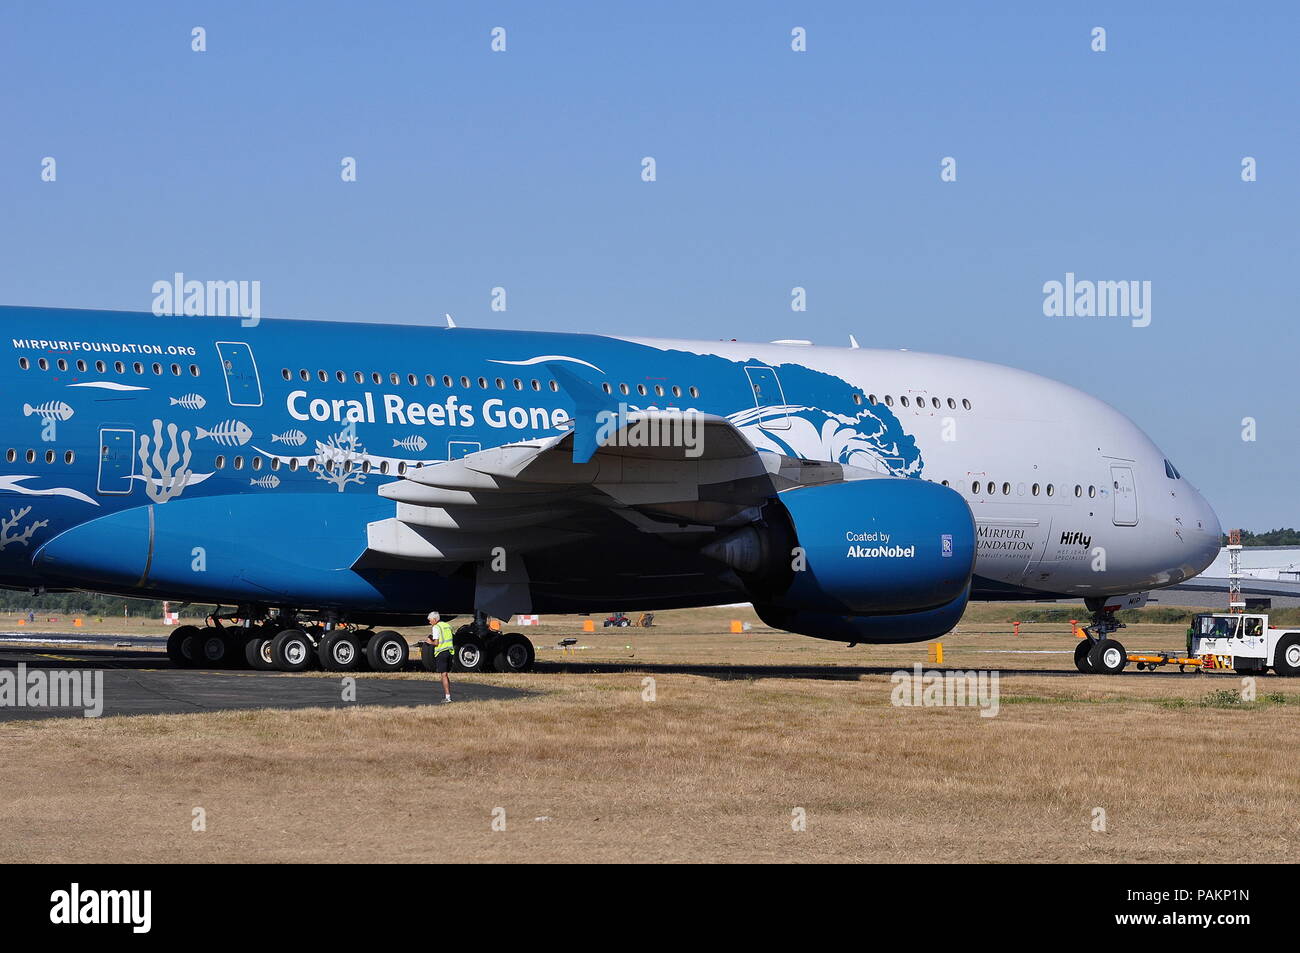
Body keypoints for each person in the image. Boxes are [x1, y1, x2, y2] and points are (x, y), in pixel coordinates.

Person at [423, 611, 455, 703]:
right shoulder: (447, 625)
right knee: (445, 674)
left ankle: (448, 698)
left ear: (435, 619)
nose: (429, 622)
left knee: (443, 675)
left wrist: (429, 642)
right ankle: (448, 696)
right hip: (450, 652)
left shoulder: (436, 627)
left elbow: (436, 643)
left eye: (430, 620)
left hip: (441, 652)